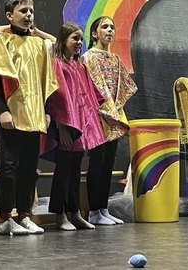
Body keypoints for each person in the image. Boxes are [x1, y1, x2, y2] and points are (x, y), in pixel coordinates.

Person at [0, 0, 58, 236]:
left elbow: (47, 80)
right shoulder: (1, 42)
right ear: (10, 16)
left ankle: (24, 214)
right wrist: (1, 111)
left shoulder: (38, 44)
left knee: (29, 168)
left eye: (31, 11)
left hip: (34, 116)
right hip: (12, 116)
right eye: (23, 11)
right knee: (9, 167)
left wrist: (46, 111)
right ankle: (4, 218)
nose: (28, 16)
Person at [46, 22, 107, 231]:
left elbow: (88, 96)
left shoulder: (80, 65)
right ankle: (59, 215)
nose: (79, 43)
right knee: (62, 172)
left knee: (75, 172)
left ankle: (74, 212)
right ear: (64, 40)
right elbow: (56, 97)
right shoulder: (57, 65)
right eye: (75, 39)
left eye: (81, 39)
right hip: (67, 127)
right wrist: (62, 126)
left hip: (81, 127)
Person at [82, 16, 137, 226]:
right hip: (97, 116)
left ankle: (103, 208)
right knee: (97, 162)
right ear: (95, 33)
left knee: (107, 164)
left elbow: (124, 86)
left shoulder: (114, 59)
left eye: (112, 27)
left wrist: (116, 107)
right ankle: (93, 210)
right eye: (104, 27)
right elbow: (91, 87)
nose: (109, 30)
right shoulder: (89, 57)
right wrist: (106, 106)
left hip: (113, 116)